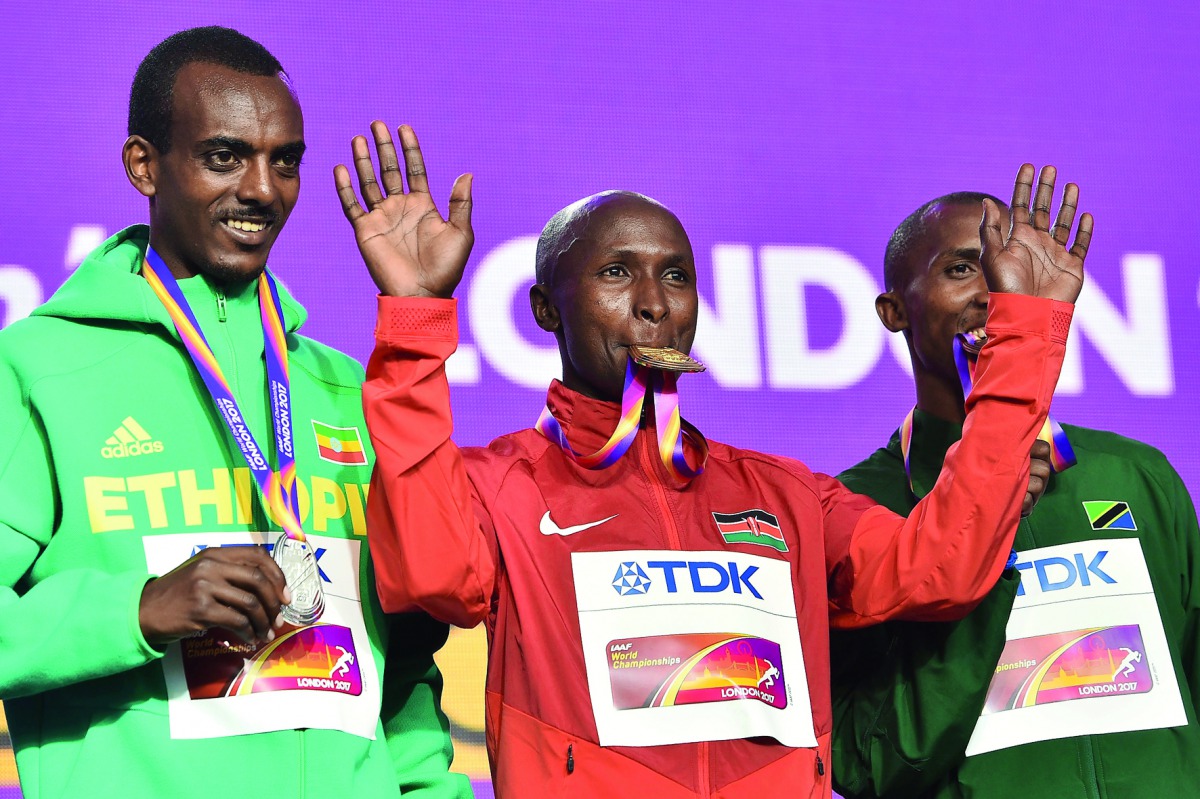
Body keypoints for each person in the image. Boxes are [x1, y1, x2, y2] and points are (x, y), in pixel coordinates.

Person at [336, 121, 1087, 797]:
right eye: (616, 272)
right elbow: (432, 575)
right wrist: (413, 323)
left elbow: (940, 567)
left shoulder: (785, 494)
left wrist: (1025, 337)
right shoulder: (501, 483)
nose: (656, 302)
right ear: (545, 308)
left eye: (675, 274)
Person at [0, 27, 466, 799]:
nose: (261, 188)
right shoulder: (39, 368)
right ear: (143, 165)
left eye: (284, 161)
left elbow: (405, 664)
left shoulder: (343, 389)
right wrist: (141, 608)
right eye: (225, 156)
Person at [830, 191, 1200, 798]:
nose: (995, 289)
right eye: (960, 268)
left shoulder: (1136, 475)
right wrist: (975, 546)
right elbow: (865, 764)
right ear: (894, 311)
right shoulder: (856, 511)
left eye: (1013, 266)